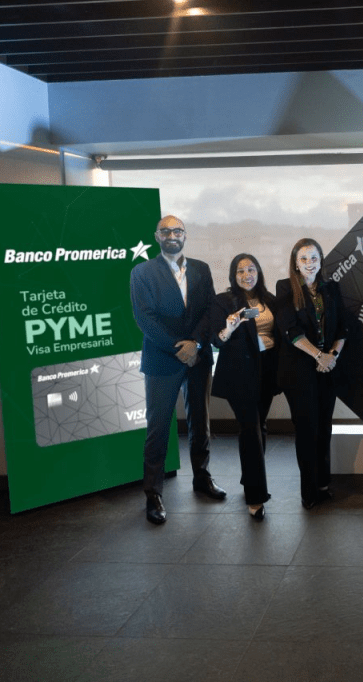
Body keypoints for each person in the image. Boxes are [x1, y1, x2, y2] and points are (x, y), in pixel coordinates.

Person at [130, 215, 226, 525]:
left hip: (197, 357)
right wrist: (178, 347)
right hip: (162, 359)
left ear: (185, 235)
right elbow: (145, 319)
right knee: (158, 426)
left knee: (200, 420)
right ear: (156, 236)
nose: (172, 235)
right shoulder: (142, 272)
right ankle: (153, 493)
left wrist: (196, 345)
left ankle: (202, 477)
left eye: (178, 230)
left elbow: (210, 309)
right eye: (166, 231)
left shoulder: (201, 269)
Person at [274, 238, 349, 509]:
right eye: (303, 259)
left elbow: (341, 328)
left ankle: (322, 484)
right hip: (299, 370)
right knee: (307, 430)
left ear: (321, 260)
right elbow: (291, 331)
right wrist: (319, 356)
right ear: (295, 261)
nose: (309, 264)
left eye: (314, 258)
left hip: (327, 369)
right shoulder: (284, 288)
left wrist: (332, 357)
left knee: (324, 428)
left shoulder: (331, 288)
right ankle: (308, 492)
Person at [210, 254, 281, 520]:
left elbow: (279, 333)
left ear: (259, 272)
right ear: (233, 275)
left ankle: (248, 478)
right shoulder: (224, 301)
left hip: (266, 373)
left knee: (259, 426)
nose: (246, 275)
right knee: (250, 429)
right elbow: (217, 341)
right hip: (239, 376)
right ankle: (256, 496)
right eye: (240, 271)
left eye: (251, 269)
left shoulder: (270, 300)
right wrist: (229, 327)